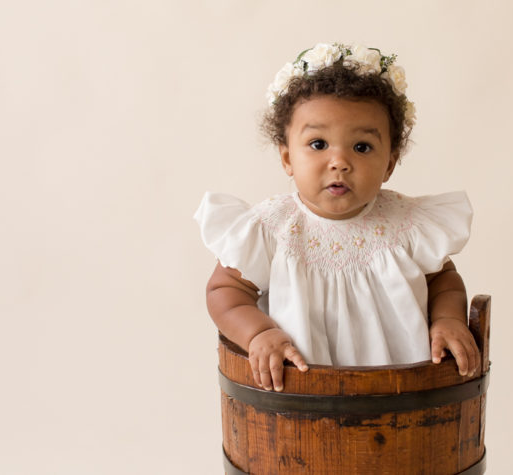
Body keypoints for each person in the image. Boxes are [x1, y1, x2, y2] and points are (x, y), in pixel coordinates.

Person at [195, 43, 478, 392]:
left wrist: (448, 318)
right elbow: (225, 290)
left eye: (362, 147)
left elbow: (443, 281)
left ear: (390, 163)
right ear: (287, 158)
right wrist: (259, 332)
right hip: (302, 397)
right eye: (318, 144)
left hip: (402, 394)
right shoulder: (272, 228)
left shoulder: (407, 225)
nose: (340, 161)